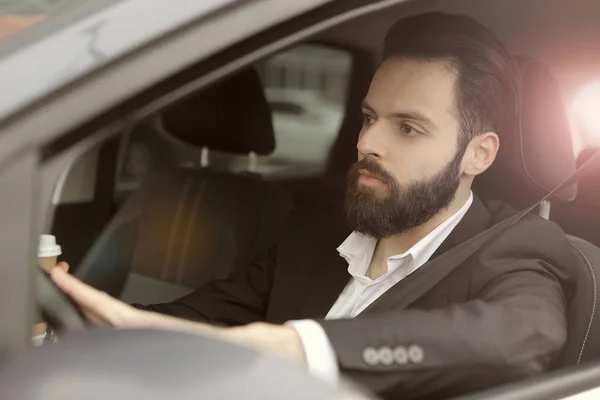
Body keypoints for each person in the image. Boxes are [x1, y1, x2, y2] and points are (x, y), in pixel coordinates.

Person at [51, 12, 576, 400]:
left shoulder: (518, 248)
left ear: (477, 155)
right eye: (370, 117)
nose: (369, 141)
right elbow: (193, 320)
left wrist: (301, 350)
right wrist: (65, 326)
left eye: (409, 128)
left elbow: (522, 337)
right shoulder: (315, 232)